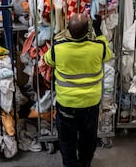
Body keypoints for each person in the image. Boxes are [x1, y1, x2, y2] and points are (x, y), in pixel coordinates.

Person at [44, 13, 112, 167]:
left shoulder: (58, 49)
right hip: (90, 105)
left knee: (67, 141)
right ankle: (85, 163)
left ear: (68, 29)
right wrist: (98, 30)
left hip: (66, 105)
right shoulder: (98, 48)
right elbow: (108, 53)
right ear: (89, 30)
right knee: (88, 140)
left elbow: (47, 60)